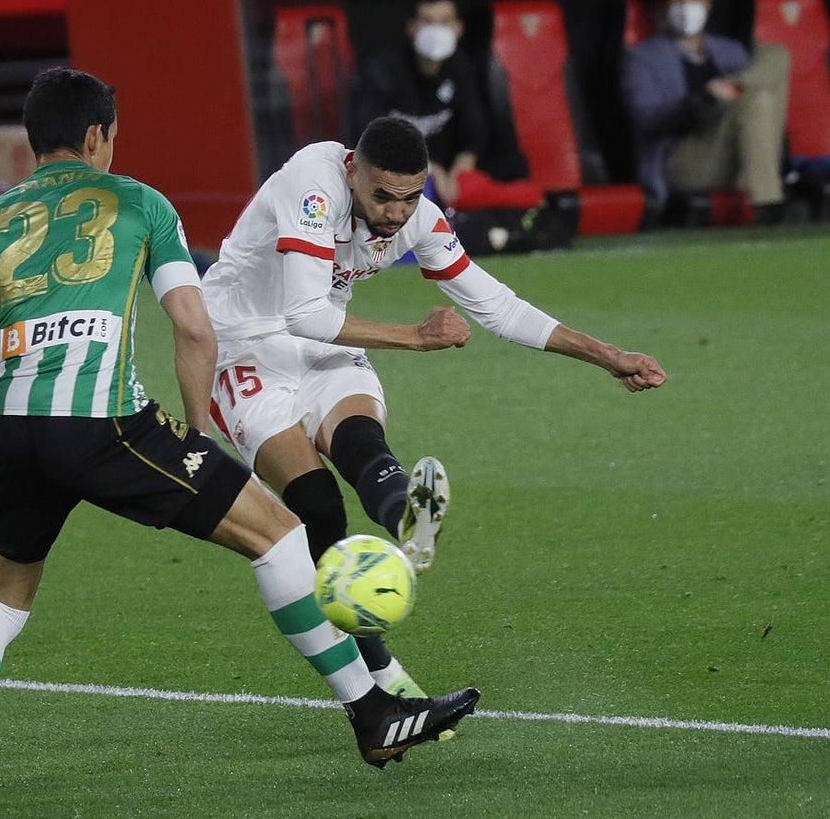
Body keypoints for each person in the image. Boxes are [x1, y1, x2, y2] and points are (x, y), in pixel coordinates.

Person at [0, 70, 480, 811]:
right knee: (281, 536)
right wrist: (196, 425)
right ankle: (373, 713)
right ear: (97, 138)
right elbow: (191, 322)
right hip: (105, 423)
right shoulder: (142, 203)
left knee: (0, 599)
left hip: (13, 434)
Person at [201, 115, 667, 693]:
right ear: (353, 171)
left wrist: (606, 355)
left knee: (363, 444)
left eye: (410, 196)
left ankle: (407, 515)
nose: (397, 212)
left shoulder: (417, 215)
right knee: (318, 507)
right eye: (383, 196)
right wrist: (417, 337)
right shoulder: (311, 185)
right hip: (242, 344)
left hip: (322, 343)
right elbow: (305, 313)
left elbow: (497, 305)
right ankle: (377, 668)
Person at [348, 0, 541, 212]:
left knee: (509, 168)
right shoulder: (382, 72)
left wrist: (461, 169)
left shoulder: (461, 67)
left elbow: (475, 131)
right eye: (428, 21)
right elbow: (369, 138)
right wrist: (428, 168)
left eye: (444, 21)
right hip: (399, 169)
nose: (436, 31)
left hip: (449, 171)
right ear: (411, 27)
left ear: (458, 28)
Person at [623, 0, 790, 223]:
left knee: (775, 58)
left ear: (708, 5)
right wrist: (699, 101)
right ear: (664, 7)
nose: (685, 7)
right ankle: (769, 205)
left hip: (733, 153)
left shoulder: (730, 51)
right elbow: (645, 120)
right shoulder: (643, 58)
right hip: (685, 159)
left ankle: (765, 198)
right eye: (677, 1)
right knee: (755, 100)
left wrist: (729, 86)